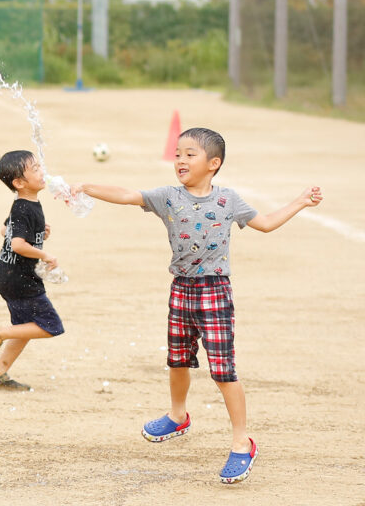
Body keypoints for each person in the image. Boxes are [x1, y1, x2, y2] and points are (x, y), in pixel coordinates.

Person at [71, 128, 322, 484]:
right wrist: (87, 187)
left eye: (190, 154)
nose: (180, 161)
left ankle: (242, 440)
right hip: (181, 289)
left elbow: (264, 224)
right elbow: (128, 195)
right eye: (177, 154)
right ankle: (178, 415)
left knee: (222, 369)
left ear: (213, 163)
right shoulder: (167, 196)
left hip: (215, 292)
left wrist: (300, 201)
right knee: (178, 359)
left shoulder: (229, 200)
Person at [0, 150, 65, 391]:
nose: (42, 172)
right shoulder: (23, 208)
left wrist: (39, 234)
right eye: (36, 169)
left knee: (24, 328)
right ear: (19, 183)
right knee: (51, 326)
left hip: (13, 276)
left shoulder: (28, 205)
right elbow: (18, 245)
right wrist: (44, 253)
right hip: (20, 279)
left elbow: (5, 231)